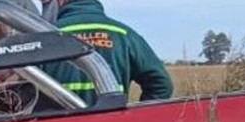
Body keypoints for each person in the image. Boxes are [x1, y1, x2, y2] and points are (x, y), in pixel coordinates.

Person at [36, 0, 173, 103]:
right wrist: (138, 120)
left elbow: (20, 92)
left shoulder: (43, 38)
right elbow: (162, 84)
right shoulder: (123, 34)